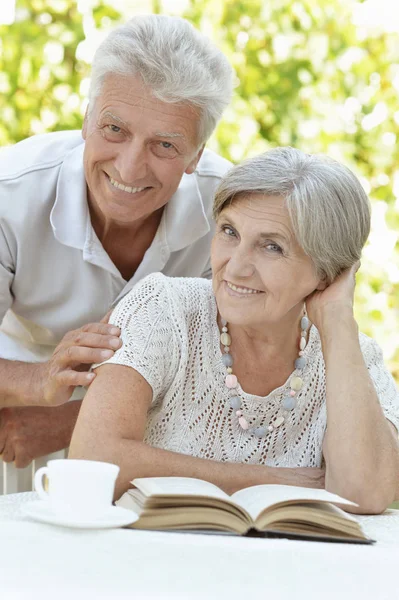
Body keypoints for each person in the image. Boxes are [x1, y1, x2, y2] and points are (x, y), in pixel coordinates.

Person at [70, 147, 399, 514]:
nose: (235, 267)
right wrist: (275, 480)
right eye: (229, 231)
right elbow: (93, 457)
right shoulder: (164, 308)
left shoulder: (354, 358)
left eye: (271, 247)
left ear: (328, 271)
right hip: (155, 562)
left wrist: (338, 322)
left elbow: (364, 493)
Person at [0, 14, 234, 478]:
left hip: (161, 436)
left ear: (196, 156)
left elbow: (235, 372)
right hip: (15, 411)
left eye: (165, 145)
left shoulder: (230, 214)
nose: (129, 169)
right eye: (114, 129)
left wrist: (73, 423)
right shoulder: (9, 193)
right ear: (87, 121)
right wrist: (38, 380)